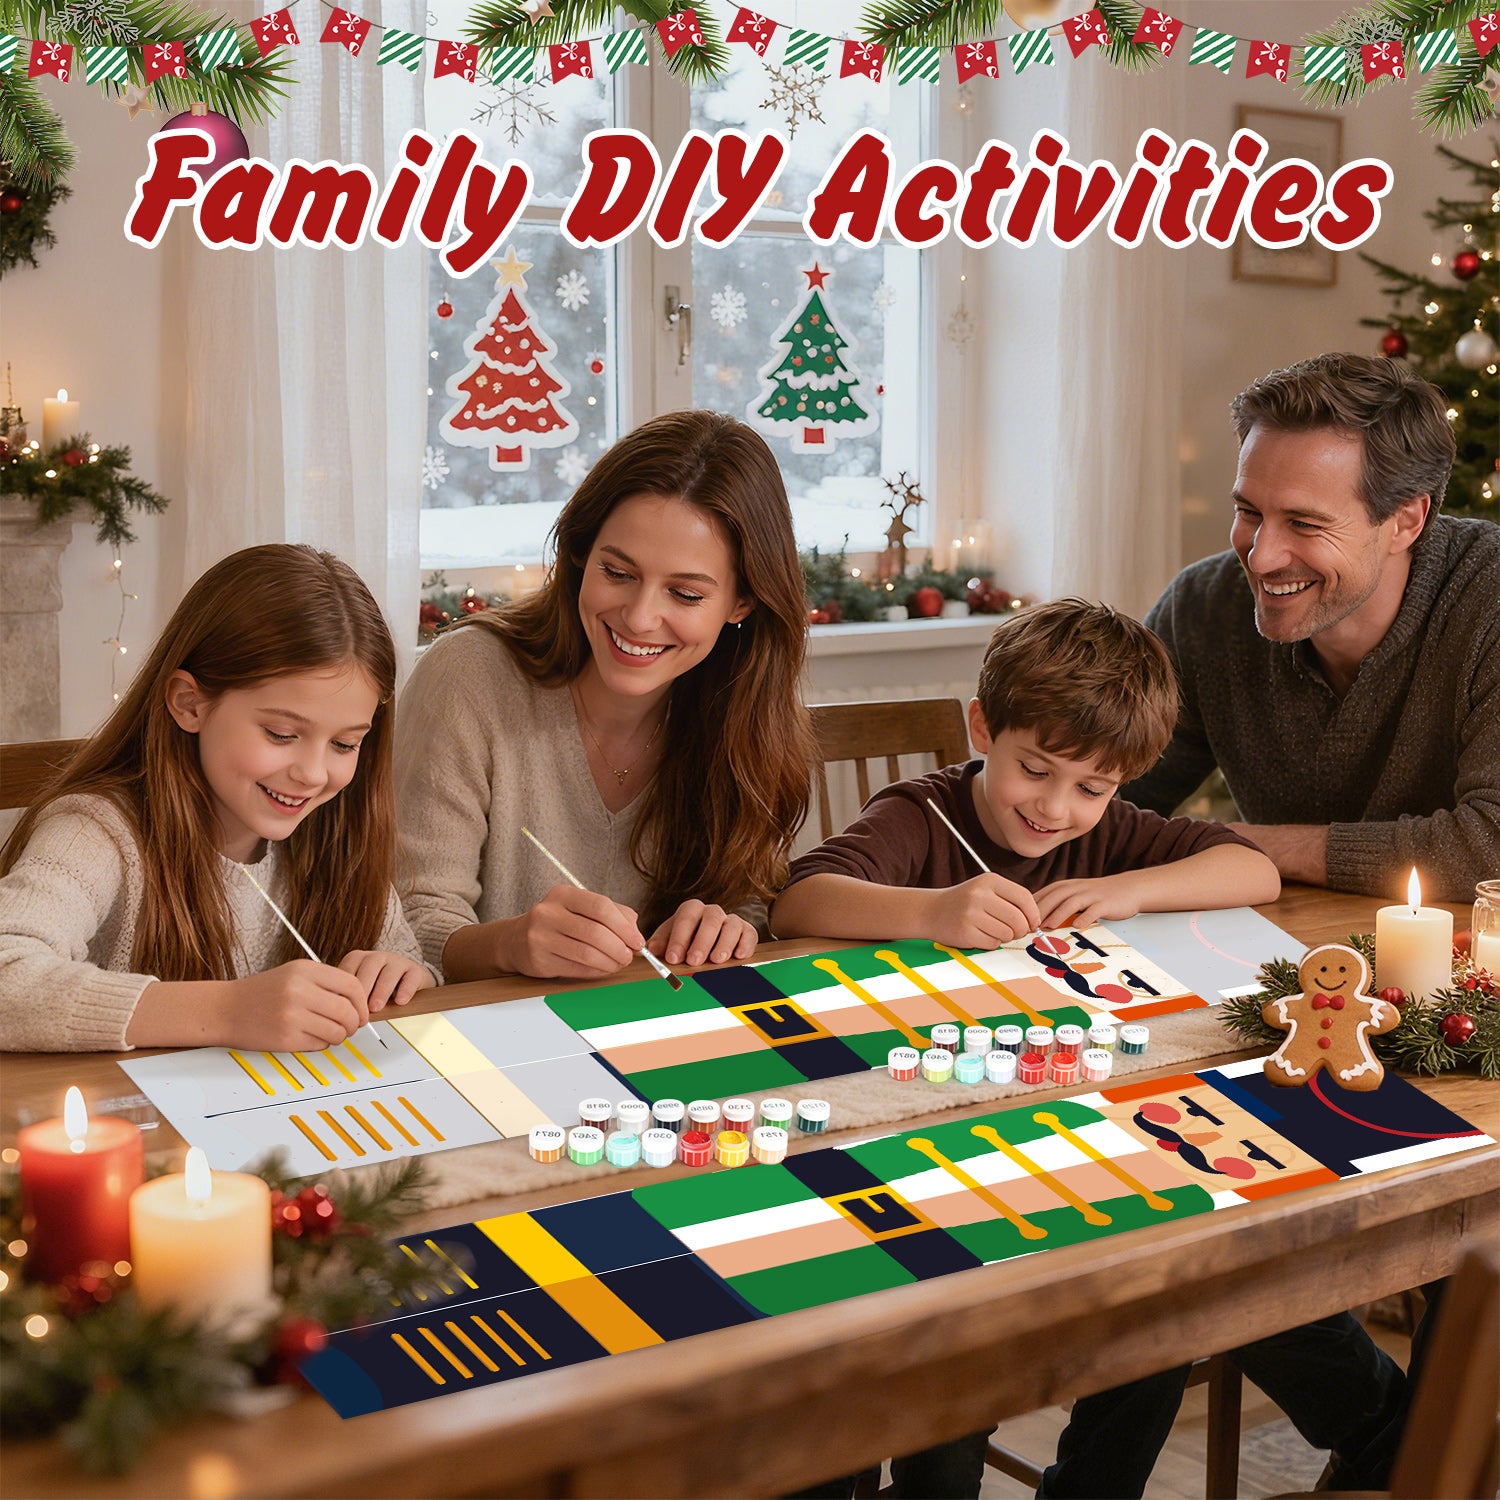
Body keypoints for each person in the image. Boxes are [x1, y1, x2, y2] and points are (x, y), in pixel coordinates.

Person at [772, 598, 1280, 1499]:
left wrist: (1127, 889)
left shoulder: (1108, 836)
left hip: (1063, 1134)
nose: (1054, 809)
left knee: (1159, 1295)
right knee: (960, 1364)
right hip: (915, 1146)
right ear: (983, 728)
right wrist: (932, 913)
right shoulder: (922, 815)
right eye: (1034, 771)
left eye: (1093, 789)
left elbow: (1254, 869)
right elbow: (802, 897)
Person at [395, 409, 815, 983]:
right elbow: (406, 925)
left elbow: (749, 902)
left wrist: (727, 925)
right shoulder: (469, 676)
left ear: (742, 604)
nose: (640, 617)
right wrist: (510, 945)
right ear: (579, 556)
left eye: (686, 594)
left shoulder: (746, 708)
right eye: (617, 573)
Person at [0, 544, 435, 1053]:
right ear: (190, 704)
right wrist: (229, 1011)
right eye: (279, 733)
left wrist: (406, 975)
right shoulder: (93, 833)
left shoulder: (337, 832)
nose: (313, 774)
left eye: (344, 744)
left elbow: (409, 962)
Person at [1123, 351, 1499, 903]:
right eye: (1249, 512)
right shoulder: (1202, 609)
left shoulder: (1487, 601)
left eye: (1304, 523)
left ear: (1405, 521)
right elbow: (1102, 786)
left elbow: (1491, 845)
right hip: (1275, 959)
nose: (1262, 556)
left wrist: (1237, 845)